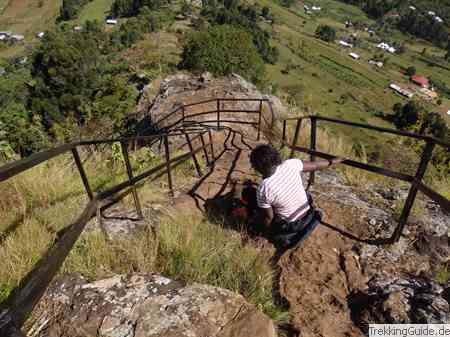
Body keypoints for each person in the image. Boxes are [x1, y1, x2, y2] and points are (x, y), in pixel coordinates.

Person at [249, 144, 344, 247]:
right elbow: (315, 165)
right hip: (308, 213)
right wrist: (332, 161)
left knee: (254, 203)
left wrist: (264, 235)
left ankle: (286, 237)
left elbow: (268, 217)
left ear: (257, 167)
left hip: (291, 226)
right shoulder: (291, 164)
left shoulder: (263, 188)